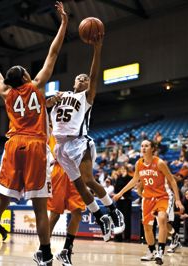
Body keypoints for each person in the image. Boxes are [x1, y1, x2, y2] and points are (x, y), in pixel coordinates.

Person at [0, 2, 68, 265]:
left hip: (14, 145)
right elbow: (53, 52)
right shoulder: (37, 86)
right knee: (39, 207)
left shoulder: (6, 93)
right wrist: (63, 24)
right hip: (37, 146)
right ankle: (46, 255)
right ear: (26, 76)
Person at [50, 26, 124, 242]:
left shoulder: (86, 98)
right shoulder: (60, 95)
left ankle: (113, 210)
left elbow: (93, 73)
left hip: (79, 142)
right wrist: (50, 101)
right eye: (79, 78)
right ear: (73, 83)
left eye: (85, 78)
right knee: (80, 185)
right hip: (60, 148)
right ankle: (101, 217)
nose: (83, 79)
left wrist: (97, 50)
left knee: (89, 180)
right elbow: (43, 105)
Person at [113, 140, 183, 264]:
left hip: (163, 196)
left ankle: (160, 252)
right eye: (142, 146)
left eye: (147, 146)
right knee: (147, 226)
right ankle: (151, 251)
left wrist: (178, 200)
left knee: (162, 218)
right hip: (148, 198)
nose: (143, 148)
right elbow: (134, 180)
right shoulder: (139, 164)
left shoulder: (160, 163)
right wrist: (120, 193)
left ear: (152, 149)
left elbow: (172, 181)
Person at [47, 135, 85, 266]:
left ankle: (66, 251)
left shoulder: (78, 129)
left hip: (75, 171)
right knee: (54, 215)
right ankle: (44, 250)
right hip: (59, 171)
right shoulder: (50, 135)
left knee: (78, 213)